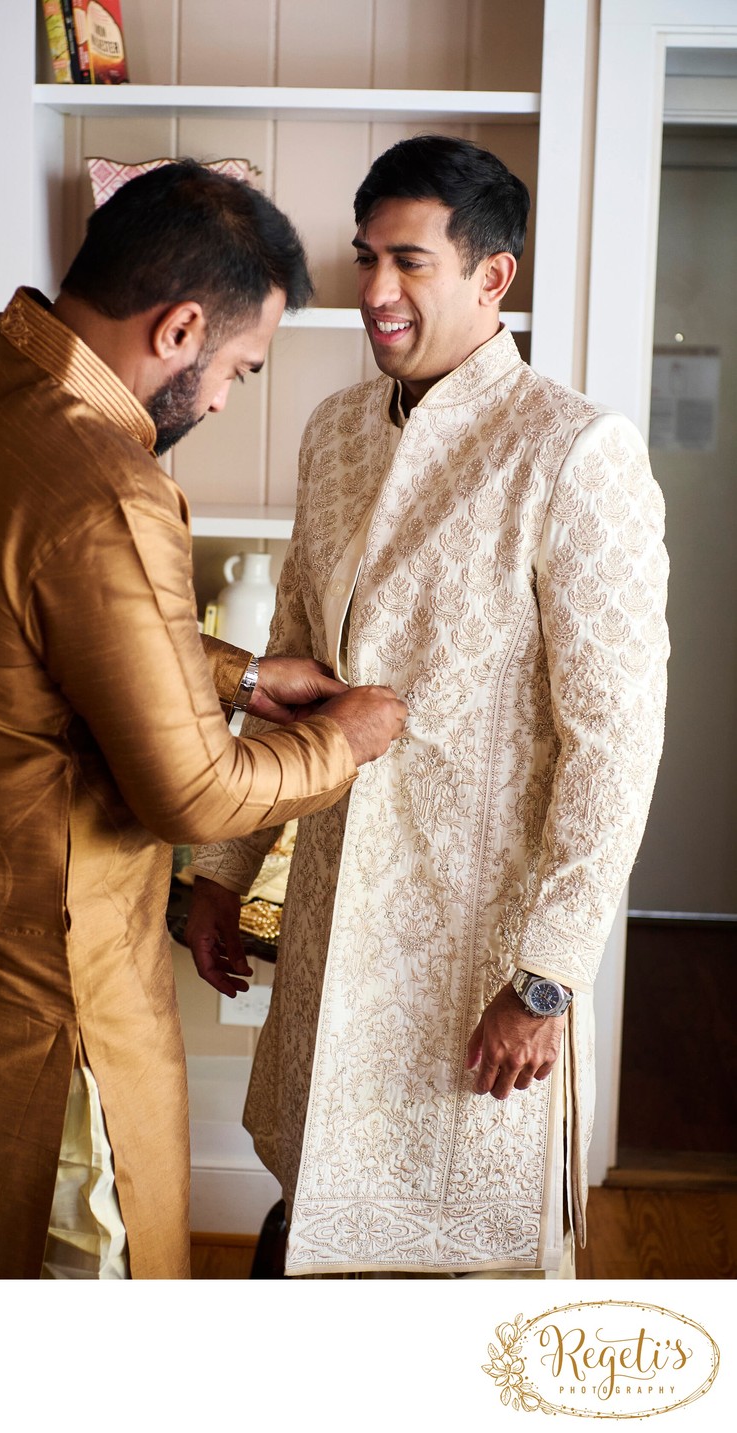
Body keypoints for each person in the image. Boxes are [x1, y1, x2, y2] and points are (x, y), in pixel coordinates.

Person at [0, 160, 407, 1280]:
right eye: (236, 368)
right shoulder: (105, 482)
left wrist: (245, 677)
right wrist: (346, 739)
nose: (221, 401)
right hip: (48, 1004)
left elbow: (15, 629)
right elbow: (193, 795)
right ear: (177, 328)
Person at [187, 135, 669, 1278]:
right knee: (311, 1208)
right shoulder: (339, 433)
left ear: (491, 277)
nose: (376, 293)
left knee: (459, 1263)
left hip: (478, 954)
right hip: (332, 906)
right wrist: (217, 871)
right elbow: (296, 661)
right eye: (365, 259)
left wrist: (544, 976)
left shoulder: (575, 449)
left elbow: (616, 738)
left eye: (409, 261)